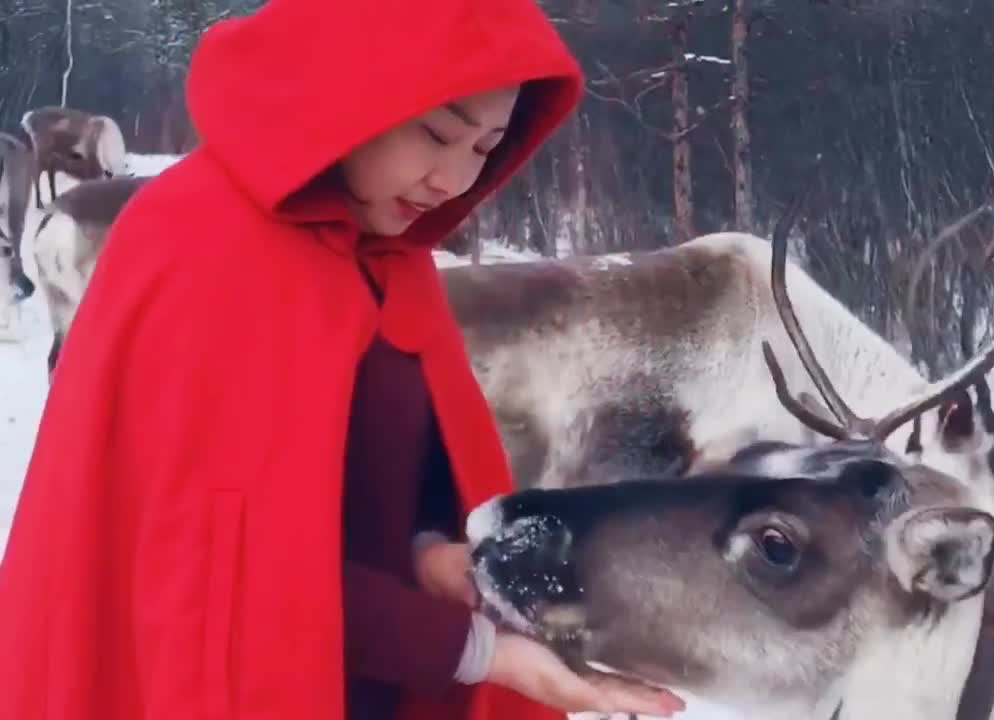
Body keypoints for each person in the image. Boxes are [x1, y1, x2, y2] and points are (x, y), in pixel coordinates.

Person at [0, 1, 688, 720]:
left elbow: (355, 488)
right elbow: (225, 591)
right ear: (350, 92)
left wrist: (430, 554)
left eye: (485, 149)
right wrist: (486, 653)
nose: (452, 180)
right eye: (436, 134)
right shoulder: (196, 249)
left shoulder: (392, 257)